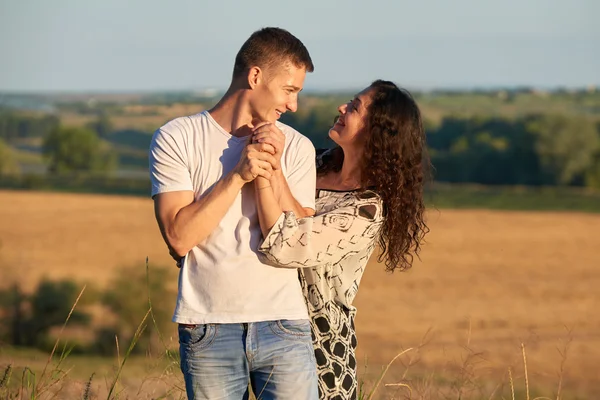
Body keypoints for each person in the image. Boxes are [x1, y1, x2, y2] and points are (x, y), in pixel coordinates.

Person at [149, 27, 319, 400]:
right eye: (289, 90)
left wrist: (275, 172)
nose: (293, 106)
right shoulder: (176, 138)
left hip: (285, 324)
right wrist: (237, 176)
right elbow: (179, 238)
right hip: (208, 327)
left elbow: (299, 240)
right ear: (255, 76)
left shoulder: (298, 147)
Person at [252, 80, 430, 399]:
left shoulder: (367, 210)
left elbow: (288, 245)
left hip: (321, 349)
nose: (341, 108)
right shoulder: (313, 163)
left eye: (355, 107)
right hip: (259, 325)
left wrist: (272, 169)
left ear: (377, 131)